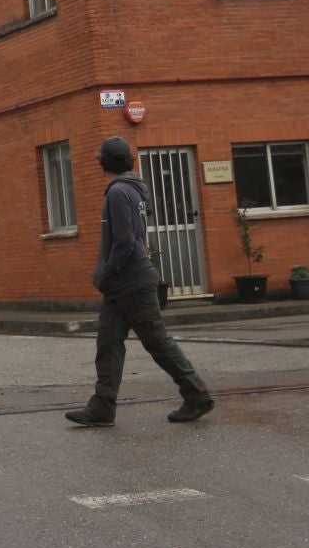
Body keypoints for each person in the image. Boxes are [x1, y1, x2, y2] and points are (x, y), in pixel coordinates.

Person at [66, 137, 216, 427]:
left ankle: (197, 394)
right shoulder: (132, 190)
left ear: (103, 163)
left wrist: (105, 274)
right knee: (108, 343)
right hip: (122, 284)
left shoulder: (118, 193)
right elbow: (140, 239)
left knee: (157, 342)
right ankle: (102, 407)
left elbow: (125, 243)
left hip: (131, 281)